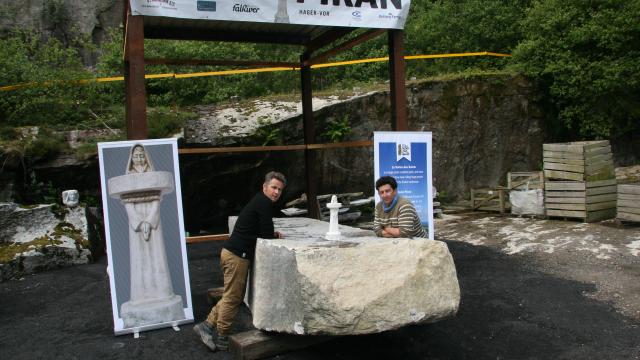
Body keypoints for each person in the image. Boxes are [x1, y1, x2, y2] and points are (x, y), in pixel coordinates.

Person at [194, 171, 286, 352]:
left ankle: (206, 326)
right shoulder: (264, 204)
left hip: (232, 253)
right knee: (233, 298)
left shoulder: (260, 201)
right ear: (265, 187)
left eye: (280, 190)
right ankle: (222, 337)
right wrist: (274, 236)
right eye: (274, 187)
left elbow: (260, 231)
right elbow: (266, 235)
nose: (276, 192)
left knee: (230, 295)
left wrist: (272, 234)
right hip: (237, 256)